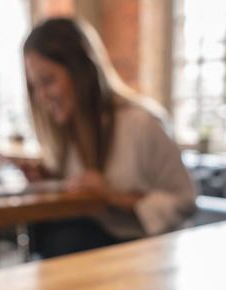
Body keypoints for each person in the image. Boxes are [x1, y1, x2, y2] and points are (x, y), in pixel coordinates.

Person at [21, 17, 196, 258]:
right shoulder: (66, 132)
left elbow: (185, 202)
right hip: (87, 253)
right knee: (43, 233)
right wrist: (48, 178)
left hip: (141, 256)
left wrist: (112, 196)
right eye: (34, 87)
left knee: (66, 238)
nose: (41, 97)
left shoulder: (141, 123)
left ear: (81, 70)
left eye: (48, 81)